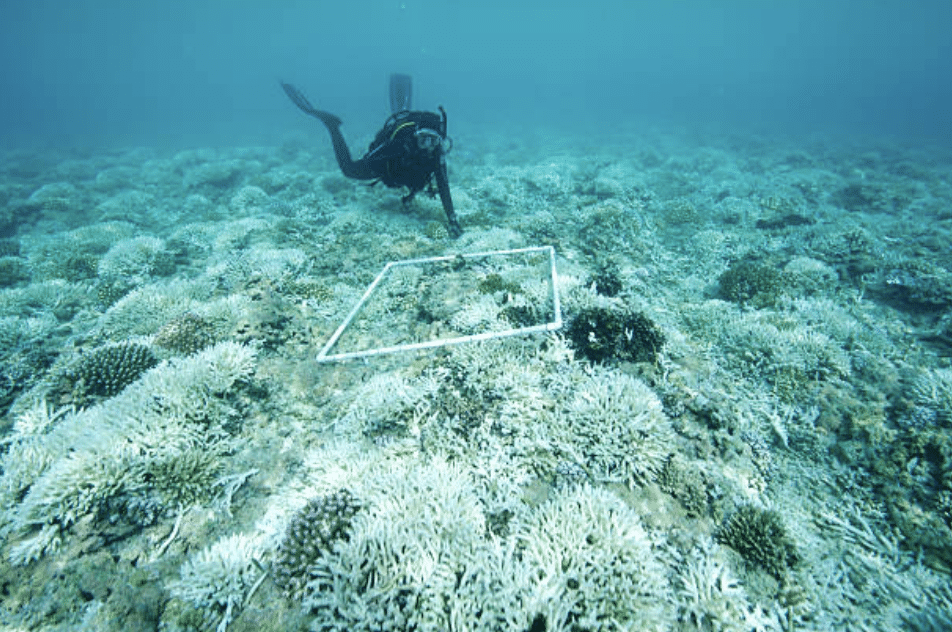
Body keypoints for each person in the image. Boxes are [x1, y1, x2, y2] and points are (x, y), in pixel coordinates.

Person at [281, 74, 462, 238]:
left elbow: (443, 186)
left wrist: (452, 219)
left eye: (433, 141)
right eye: (424, 140)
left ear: (440, 141)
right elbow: (370, 158)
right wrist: (388, 162)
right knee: (349, 170)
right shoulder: (399, 145)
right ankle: (332, 125)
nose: (427, 146)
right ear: (416, 136)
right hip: (388, 168)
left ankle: (401, 107)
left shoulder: (437, 155)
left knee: (402, 119)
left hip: (405, 178)